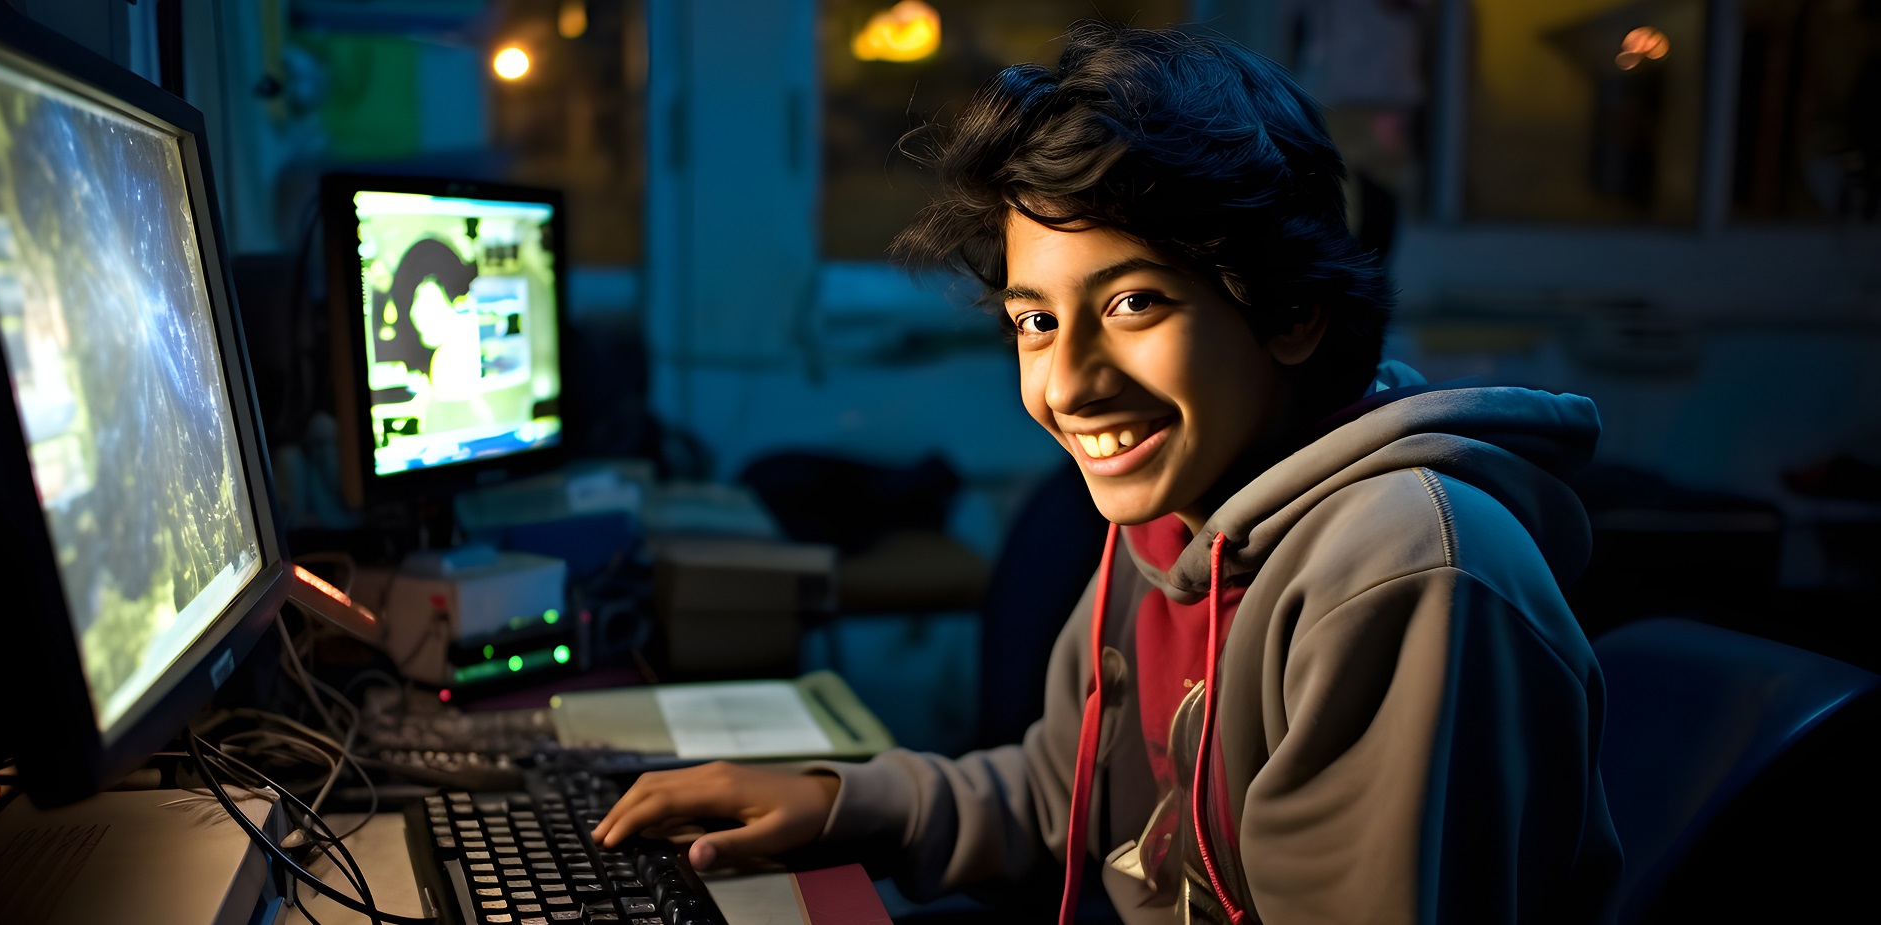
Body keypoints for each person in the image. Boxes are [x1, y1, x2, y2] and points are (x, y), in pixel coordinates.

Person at [594, 24, 1621, 924]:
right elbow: (1063, 797)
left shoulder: (1398, 572)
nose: (1070, 384)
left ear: (1292, 312)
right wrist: (842, 801)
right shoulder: (1176, 514)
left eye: (1134, 303)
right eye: (1035, 321)